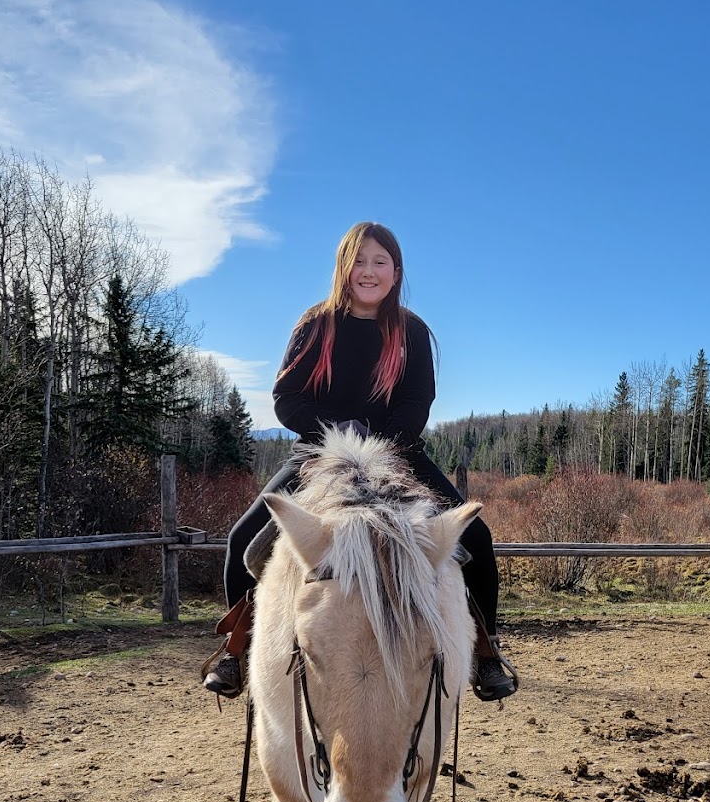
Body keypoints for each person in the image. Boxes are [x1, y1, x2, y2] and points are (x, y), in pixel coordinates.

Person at [202, 221, 518, 703]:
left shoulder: (412, 332)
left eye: (380, 262)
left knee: (475, 535)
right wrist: (336, 431)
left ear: (396, 271)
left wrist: (382, 439)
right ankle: (237, 648)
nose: (368, 271)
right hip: (318, 454)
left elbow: (416, 404)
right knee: (243, 539)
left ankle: (486, 652)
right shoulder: (316, 324)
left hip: (399, 456)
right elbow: (287, 398)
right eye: (360, 261)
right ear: (344, 268)